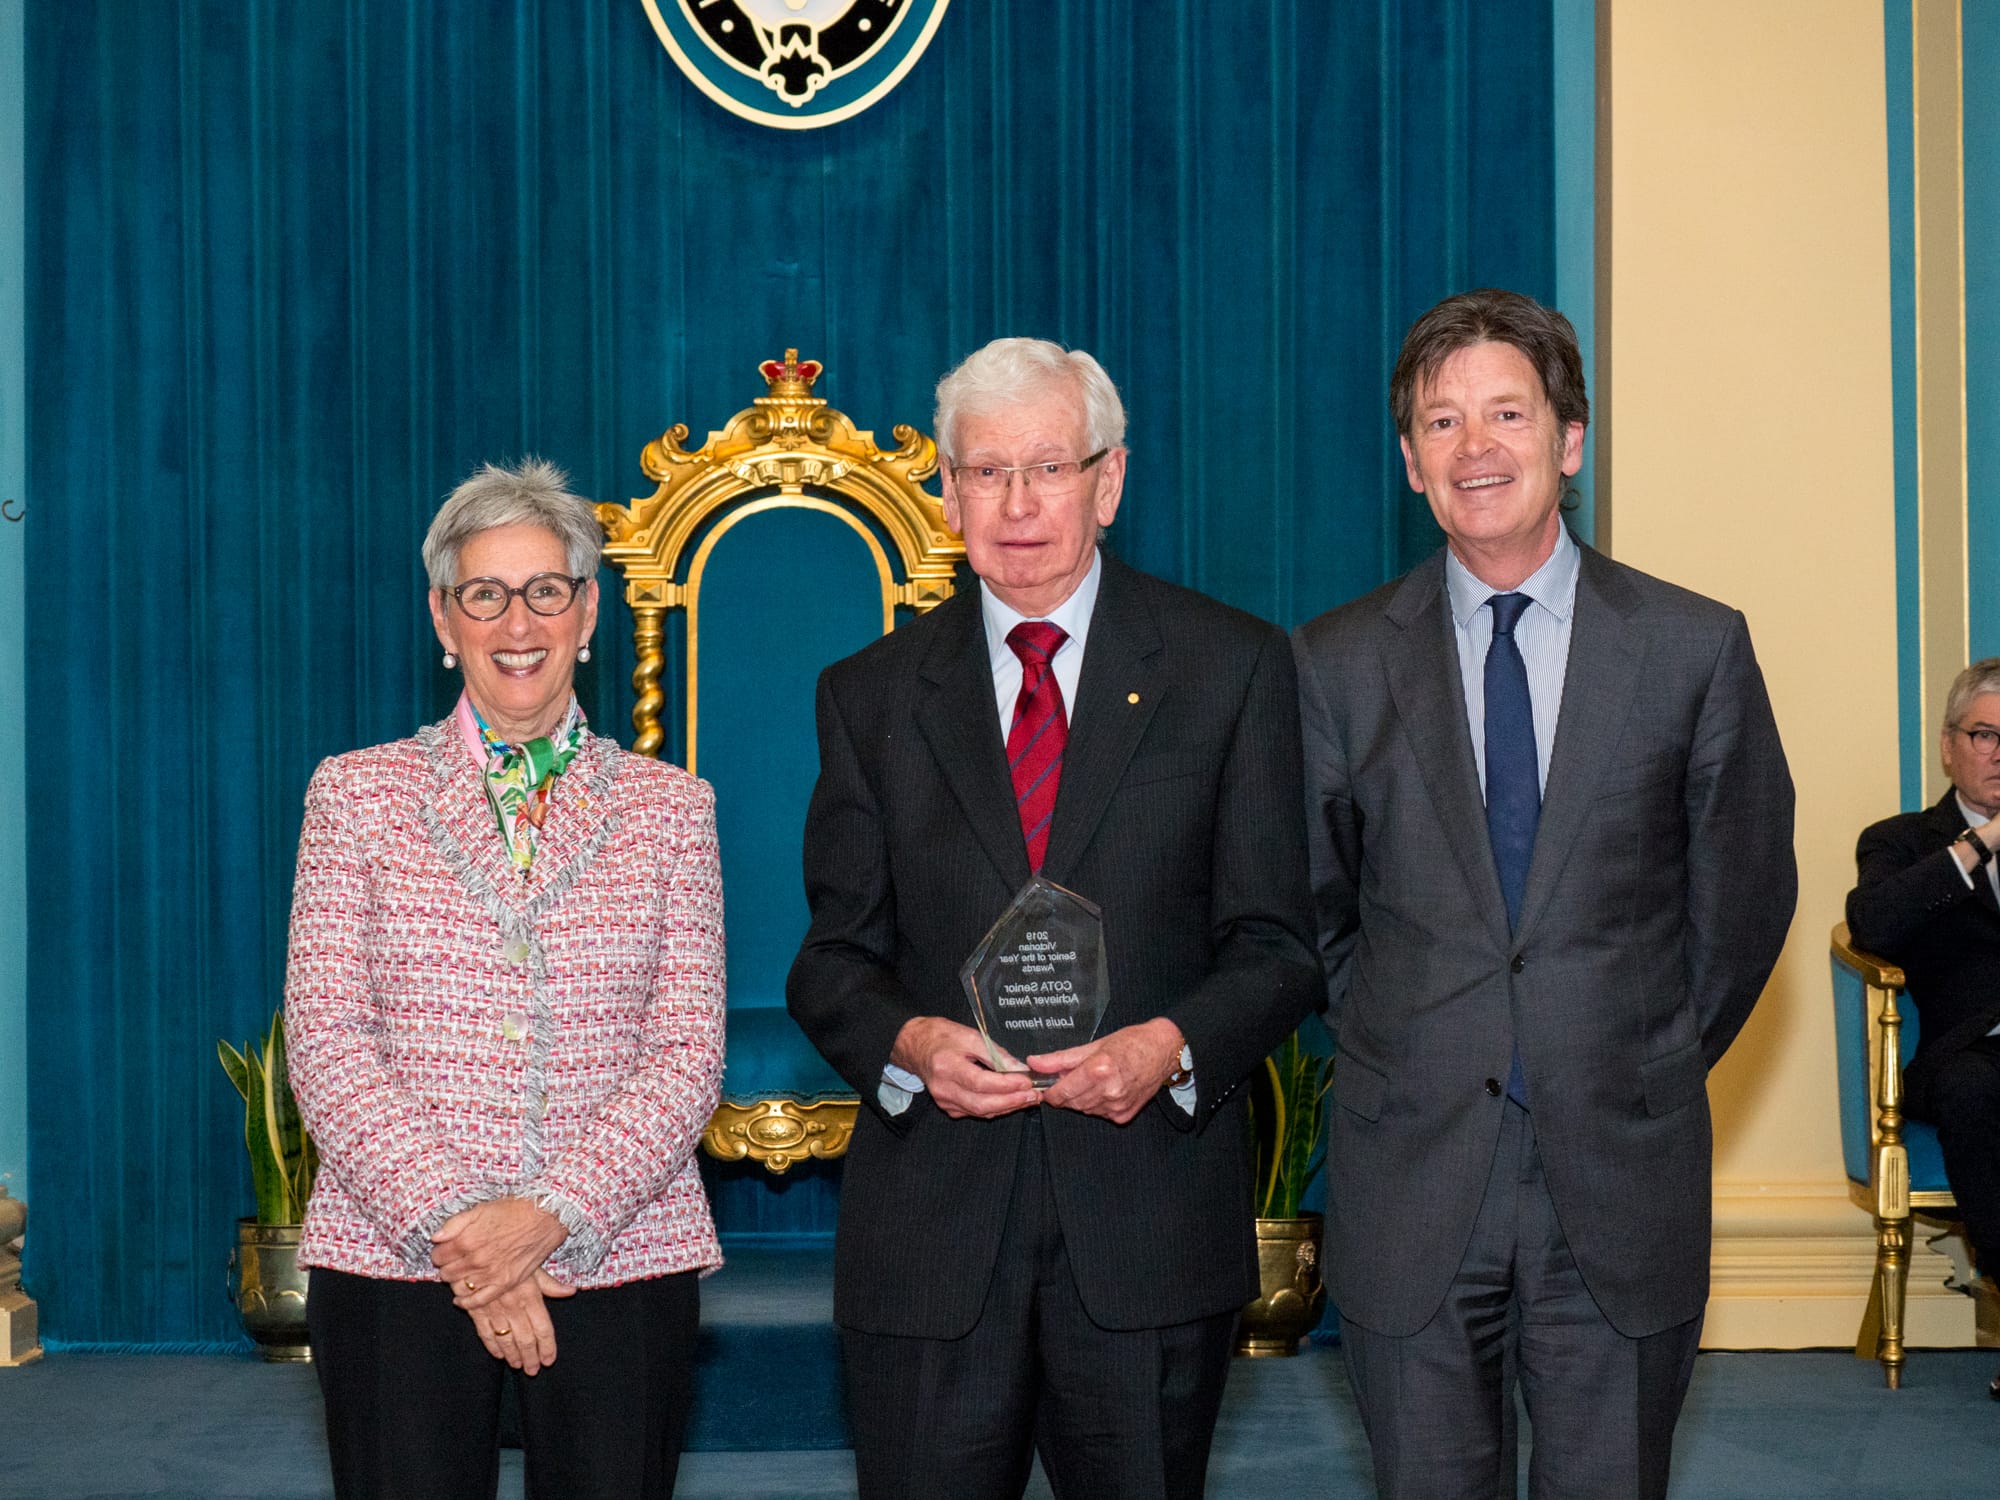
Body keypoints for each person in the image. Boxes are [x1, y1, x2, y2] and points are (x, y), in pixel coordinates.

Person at [786, 338, 1320, 1500]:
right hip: (932, 1234)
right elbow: (830, 963)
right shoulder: (868, 695)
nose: (1017, 504)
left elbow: (1279, 946)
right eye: (986, 472)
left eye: (1047, 468)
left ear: (1107, 481)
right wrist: (909, 1043)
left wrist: (1167, 1047)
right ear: (946, 492)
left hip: (1146, 1223)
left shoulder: (1231, 669)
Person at [1292, 289, 1796, 1498]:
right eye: (1441, 422)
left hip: (1619, 1170)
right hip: (1410, 1174)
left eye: (1507, 414)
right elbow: (1310, 909)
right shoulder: (1332, 662)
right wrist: (1415, 1035)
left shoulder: (1691, 648)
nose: (1475, 447)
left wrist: (1635, 1050)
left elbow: (1739, 906)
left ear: (1569, 441)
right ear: (1409, 462)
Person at [284, 459, 726, 1499]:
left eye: (544, 591)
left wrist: (547, 1218)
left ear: (588, 613)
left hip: (618, 1252)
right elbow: (328, 1043)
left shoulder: (674, 809)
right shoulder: (354, 795)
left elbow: (687, 1056)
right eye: (484, 594)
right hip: (398, 1260)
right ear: (444, 618)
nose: (516, 623)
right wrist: (471, 1238)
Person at [1847, 656, 2000, 1398]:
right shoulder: (1903, 840)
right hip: (1965, 1055)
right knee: (1975, 1089)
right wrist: (1981, 844)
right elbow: (1872, 923)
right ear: (1948, 745)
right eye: (1985, 735)